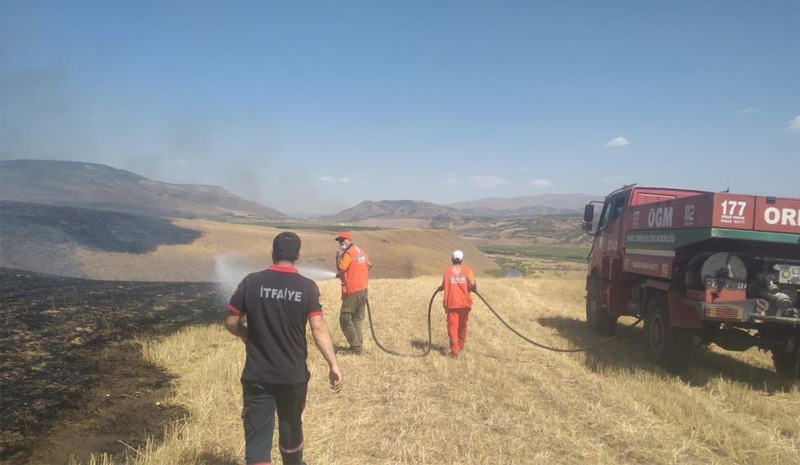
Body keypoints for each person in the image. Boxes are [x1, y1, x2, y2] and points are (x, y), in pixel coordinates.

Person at [224, 231, 343, 465]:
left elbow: (231, 321)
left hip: (257, 375)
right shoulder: (307, 287)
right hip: (293, 376)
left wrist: (247, 335)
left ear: (272, 253)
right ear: (297, 255)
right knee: (291, 426)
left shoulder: (251, 281)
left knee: (258, 439)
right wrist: (333, 364)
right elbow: (318, 328)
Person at [334, 231, 372, 355]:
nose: (340, 243)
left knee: (345, 318)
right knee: (357, 319)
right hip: (363, 289)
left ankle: (356, 348)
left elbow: (341, 268)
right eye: (339, 241)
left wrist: (338, 256)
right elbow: (369, 265)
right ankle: (357, 346)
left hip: (353, 291)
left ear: (348, 240)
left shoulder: (348, 253)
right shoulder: (360, 251)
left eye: (342, 241)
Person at [439, 250, 477, 357]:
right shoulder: (467, 270)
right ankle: (460, 344)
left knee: (452, 327)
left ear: (452, 259)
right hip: (465, 303)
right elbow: (473, 285)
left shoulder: (447, 271)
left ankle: (455, 350)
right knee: (462, 325)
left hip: (452, 304)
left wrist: (440, 288)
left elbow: (444, 285)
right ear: (462, 260)